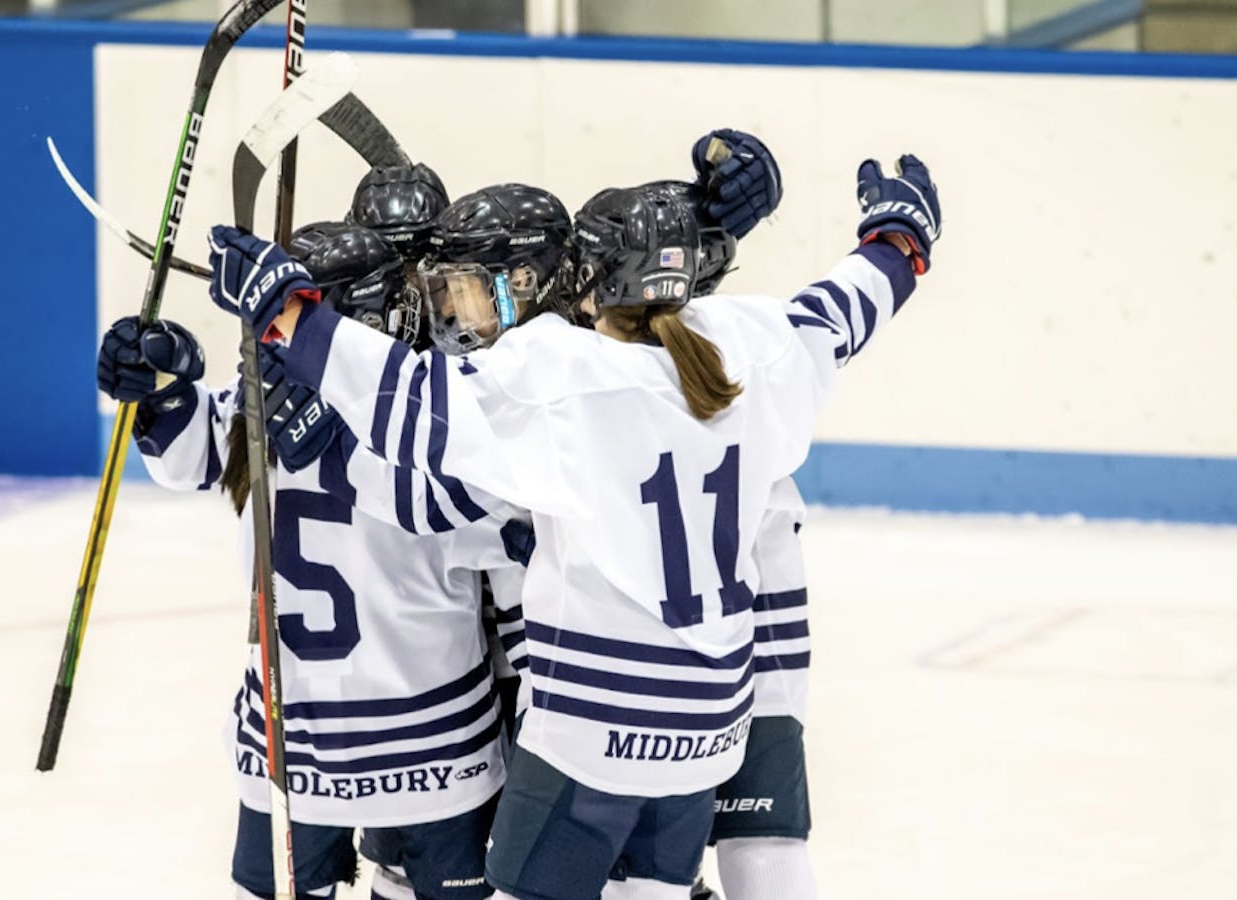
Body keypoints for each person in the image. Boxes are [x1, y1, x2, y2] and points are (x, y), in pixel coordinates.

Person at [208, 147, 940, 898]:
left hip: (593, 727)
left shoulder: (557, 381)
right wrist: (900, 241)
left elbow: (410, 401)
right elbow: (846, 306)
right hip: (714, 721)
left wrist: (287, 318)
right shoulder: (753, 344)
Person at [98, 221, 523, 900]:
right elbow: (494, 517)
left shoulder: (266, 405)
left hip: (292, 744)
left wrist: (166, 396)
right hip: (430, 749)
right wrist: (160, 386)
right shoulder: (424, 416)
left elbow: (195, 455)